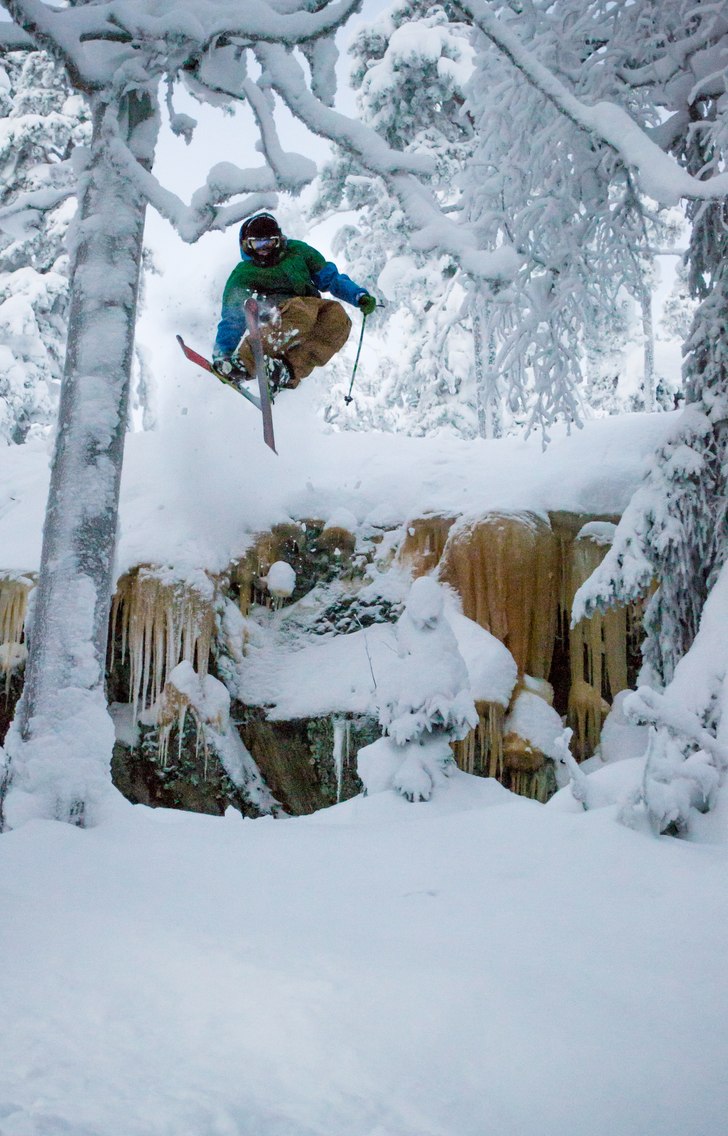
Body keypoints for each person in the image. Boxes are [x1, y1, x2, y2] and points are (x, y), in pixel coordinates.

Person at [213, 212, 377, 391]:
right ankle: (244, 363)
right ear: (247, 244)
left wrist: (357, 296)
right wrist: (223, 353)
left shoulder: (298, 251)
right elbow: (232, 317)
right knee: (300, 310)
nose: (264, 249)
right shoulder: (244, 272)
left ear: (279, 239)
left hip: (310, 311)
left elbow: (330, 278)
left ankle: (286, 371)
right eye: (257, 243)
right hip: (273, 314)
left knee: (337, 318)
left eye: (270, 242)